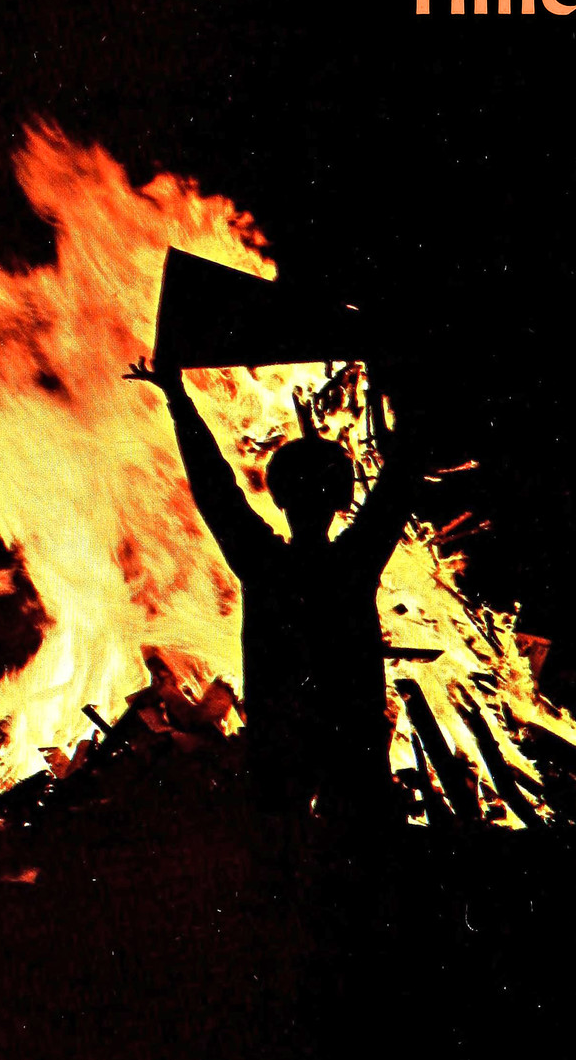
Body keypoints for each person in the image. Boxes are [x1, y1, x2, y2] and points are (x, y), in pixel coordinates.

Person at [124, 356, 425, 832]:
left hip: (280, 743)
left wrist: (179, 399)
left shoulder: (263, 565)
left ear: (279, 498)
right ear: (343, 499)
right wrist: (412, 410)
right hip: (352, 741)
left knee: (280, 843)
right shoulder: (354, 564)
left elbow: (214, 488)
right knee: (362, 843)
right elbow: (396, 488)